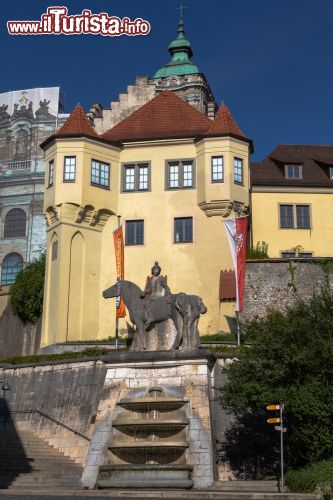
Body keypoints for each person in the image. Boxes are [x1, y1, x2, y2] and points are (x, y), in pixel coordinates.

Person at [141, 262, 171, 328]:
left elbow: (166, 287)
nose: (156, 271)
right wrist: (144, 292)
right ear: (152, 271)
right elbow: (149, 289)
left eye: (157, 270)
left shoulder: (161, 279)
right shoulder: (151, 279)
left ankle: (151, 317)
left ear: (159, 271)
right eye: (155, 270)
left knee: (146, 302)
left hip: (159, 295)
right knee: (143, 302)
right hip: (153, 295)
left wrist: (168, 294)